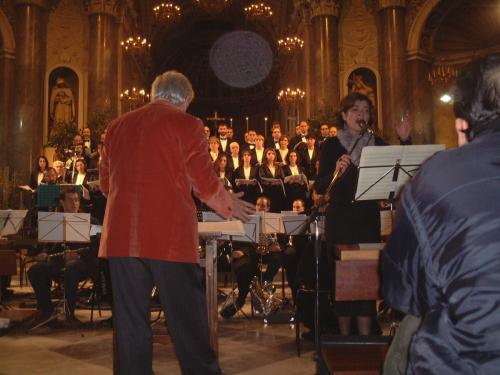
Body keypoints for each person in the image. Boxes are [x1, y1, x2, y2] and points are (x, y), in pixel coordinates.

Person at [98, 70, 254, 375]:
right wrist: (228, 204)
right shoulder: (187, 123)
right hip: (167, 236)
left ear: (154, 94)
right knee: (188, 323)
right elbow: (203, 180)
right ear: (184, 100)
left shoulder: (116, 126)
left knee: (130, 327)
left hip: (120, 237)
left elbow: (106, 185)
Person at [382, 53, 500, 374]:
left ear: (462, 125)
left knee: (408, 334)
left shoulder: (436, 176)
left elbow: (402, 292)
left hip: (466, 361)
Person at [315, 92, 411, 335]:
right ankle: (344, 343)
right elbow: (320, 186)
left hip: (367, 220)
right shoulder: (331, 144)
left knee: (367, 283)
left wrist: (405, 140)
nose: (362, 115)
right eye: (356, 110)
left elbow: (401, 170)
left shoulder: (376, 143)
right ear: (344, 115)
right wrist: (336, 170)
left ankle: (367, 342)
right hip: (341, 221)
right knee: (344, 284)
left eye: (366, 111)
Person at [28, 188, 97, 328]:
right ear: (62, 202)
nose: (74, 203)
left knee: (71, 268)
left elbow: (96, 248)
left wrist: (78, 255)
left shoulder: (90, 221)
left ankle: (69, 314)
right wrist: (45, 253)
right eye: (70, 200)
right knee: (35, 270)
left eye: (76, 200)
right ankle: (47, 312)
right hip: (58, 261)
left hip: (82, 263)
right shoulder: (55, 221)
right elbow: (49, 246)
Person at [258, 148, 285, 213]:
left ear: (275, 155)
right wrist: (271, 183)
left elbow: (283, 178)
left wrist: (278, 182)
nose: (271, 155)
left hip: (278, 192)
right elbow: (262, 179)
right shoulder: (262, 167)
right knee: (269, 210)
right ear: (265, 155)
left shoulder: (278, 167)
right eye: (269, 154)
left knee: (277, 210)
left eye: (273, 154)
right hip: (268, 192)